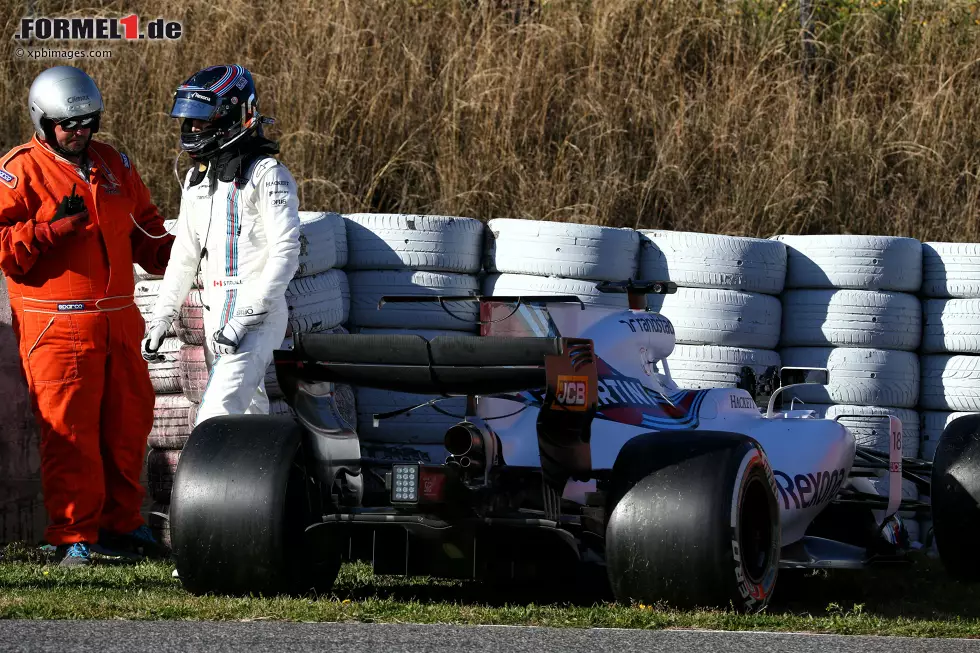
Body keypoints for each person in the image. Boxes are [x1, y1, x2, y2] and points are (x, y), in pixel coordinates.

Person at [0, 66, 174, 567]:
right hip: (56, 325)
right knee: (70, 435)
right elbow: (4, 249)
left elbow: (148, 231)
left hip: (118, 321)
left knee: (128, 429)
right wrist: (47, 230)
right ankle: (72, 537)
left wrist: (191, 257)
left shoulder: (112, 161)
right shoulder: (18, 171)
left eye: (88, 123)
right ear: (42, 121)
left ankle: (122, 525)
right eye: (68, 125)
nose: (80, 134)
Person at [142, 65, 300, 425]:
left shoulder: (268, 174)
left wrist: (245, 318)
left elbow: (286, 252)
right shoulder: (196, 180)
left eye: (201, 121)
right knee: (247, 420)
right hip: (216, 319)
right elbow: (184, 257)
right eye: (189, 122)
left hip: (256, 321)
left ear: (231, 117)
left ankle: (201, 482)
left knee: (212, 419)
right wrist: (161, 318)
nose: (192, 130)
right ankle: (261, 479)